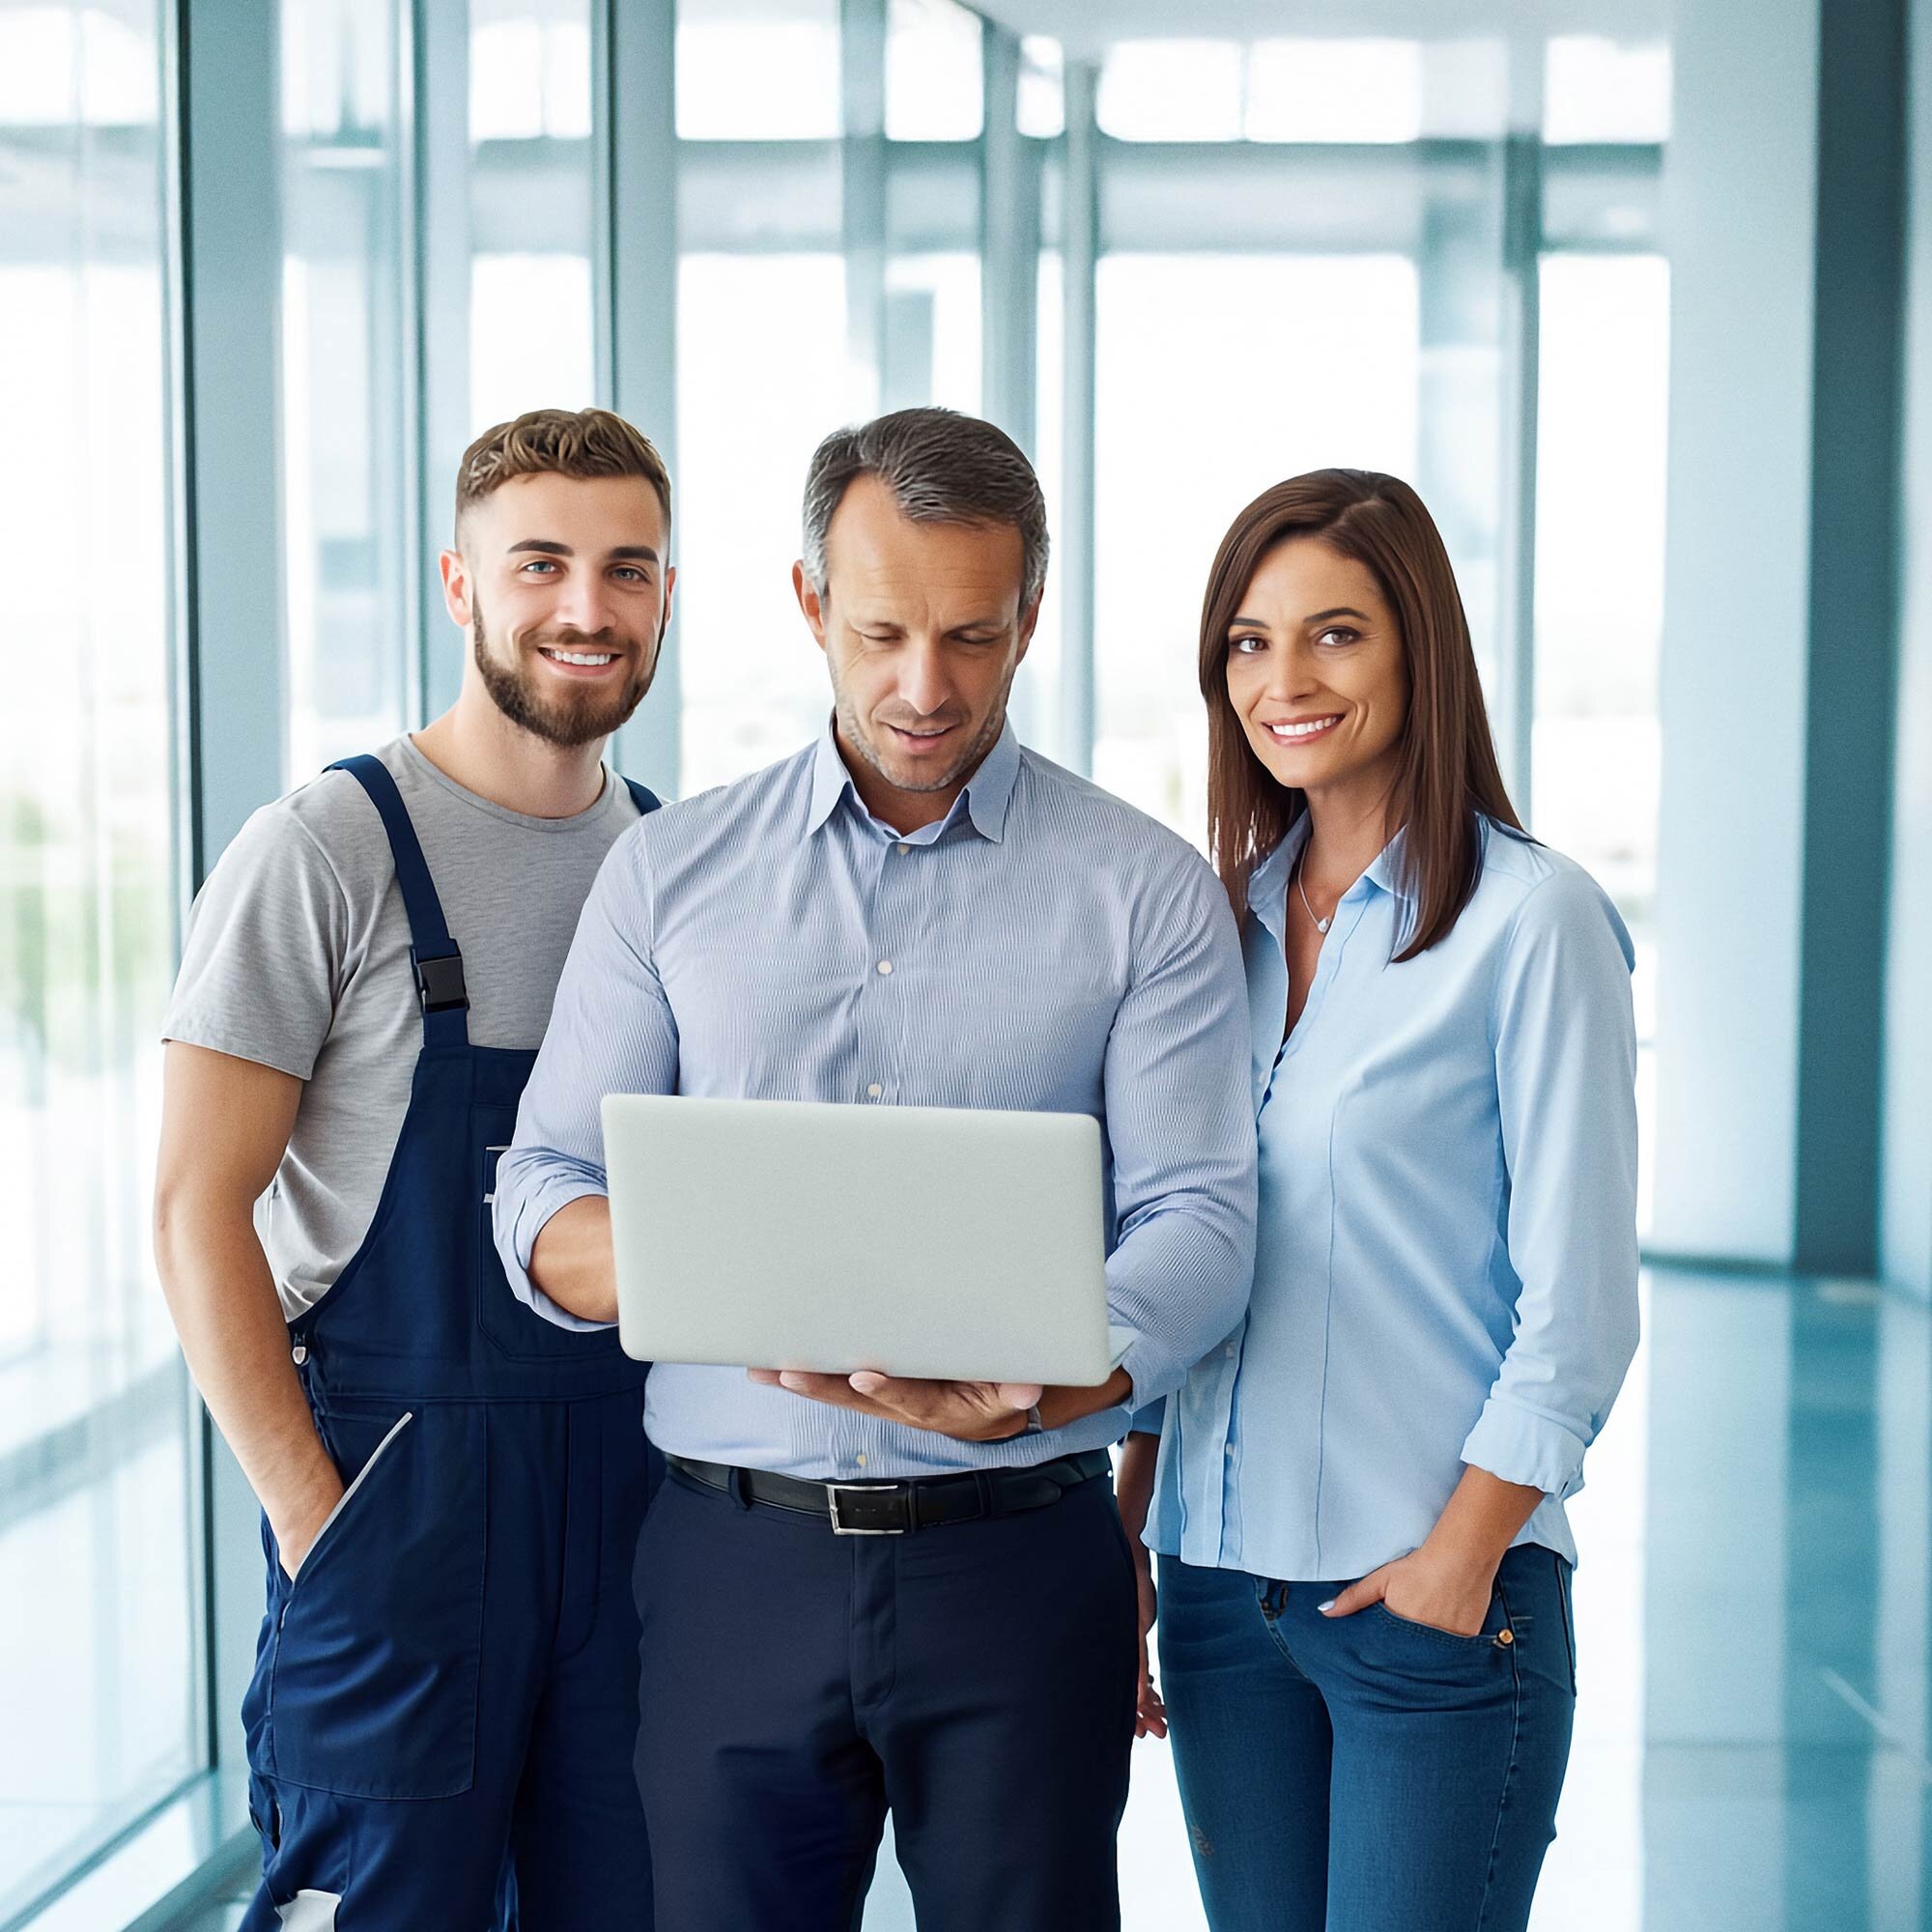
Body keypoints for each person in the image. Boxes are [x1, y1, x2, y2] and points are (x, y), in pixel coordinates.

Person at [492, 406, 1257, 1932]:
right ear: (806, 603)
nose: (925, 687)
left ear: (1031, 615)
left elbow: (1204, 1215)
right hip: (727, 1562)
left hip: (1019, 1559)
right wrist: (718, 1267)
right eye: (884, 629)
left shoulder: (1145, 893)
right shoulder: (670, 873)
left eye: (974, 636)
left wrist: (1056, 1381)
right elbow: (543, 1183)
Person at [153, 408, 676, 1930]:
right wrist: (324, 1531)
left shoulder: (672, 863)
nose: (586, 606)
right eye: (542, 565)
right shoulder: (327, 847)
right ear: (460, 585)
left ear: (664, 597)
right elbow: (195, 1211)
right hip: (398, 1498)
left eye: (628, 569)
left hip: (633, 1506)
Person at [1117, 469, 1640, 1932]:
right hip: (1219, 1598)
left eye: (1335, 634)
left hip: (1430, 1601)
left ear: (1420, 647)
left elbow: (1582, 1307)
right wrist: (1135, 1546)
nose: (1284, 681)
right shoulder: (1208, 933)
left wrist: (1460, 1558)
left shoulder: (1533, 926)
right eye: (1247, 642)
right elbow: (1176, 1258)